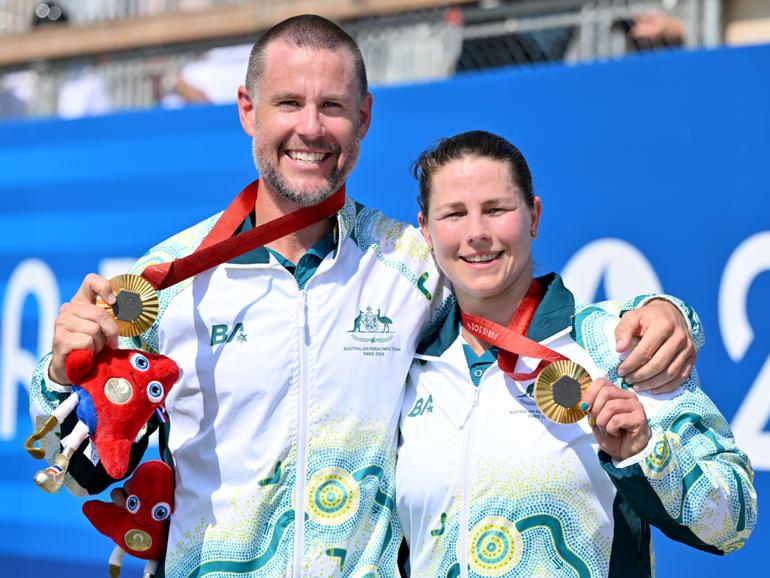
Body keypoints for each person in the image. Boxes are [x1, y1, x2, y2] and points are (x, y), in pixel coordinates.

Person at [29, 15, 701, 578]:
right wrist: (63, 367)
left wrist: (670, 316)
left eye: (334, 107)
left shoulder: (412, 263)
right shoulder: (166, 279)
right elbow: (72, 440)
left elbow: (528, 313)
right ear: (247, 111)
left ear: (365, 117)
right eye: (289, 104)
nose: (311, 129)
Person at [396, 131, 756, 577]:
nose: (477, 233)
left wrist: (646, 454)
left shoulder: (616, 342)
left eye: (496, 209)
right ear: (426, 231)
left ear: (534, 217)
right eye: (453, 215)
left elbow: (735, 519)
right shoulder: (405, 361)